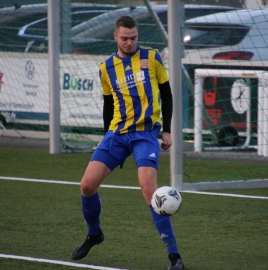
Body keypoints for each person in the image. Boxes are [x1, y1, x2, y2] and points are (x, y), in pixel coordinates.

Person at [71, 16, 184, 270]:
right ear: (115, 37)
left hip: (145, 134)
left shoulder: (152, 57)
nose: (130, 42)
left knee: (149, 189)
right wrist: (105, 135)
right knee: (87, 185)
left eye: (133, 38)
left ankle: (174, 255)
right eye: (124, 38)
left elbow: (166, 93)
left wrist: (166, 130)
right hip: (117, 135)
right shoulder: (106, 67)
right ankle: (94, 234)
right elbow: (108, 104)